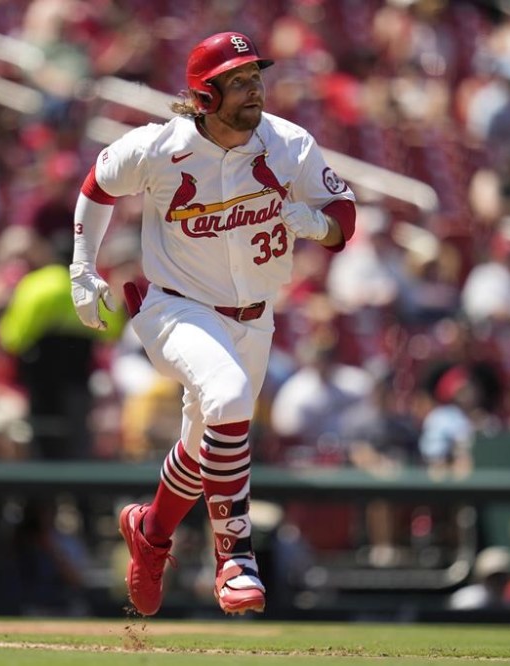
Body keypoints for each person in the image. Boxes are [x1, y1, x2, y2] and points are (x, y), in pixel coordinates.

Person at [69, 31, 356, 616]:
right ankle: (235, 555)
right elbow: (98, 183)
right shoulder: (160, 147)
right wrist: (81, 266)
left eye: (257, 77)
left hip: (254, 316)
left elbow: (344, 217)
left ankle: (149, 532)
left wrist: (315, 224)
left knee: (205, 445)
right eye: (240, 81)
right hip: (173, 304)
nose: (255, 90)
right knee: (227, 397)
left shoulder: (289, 144)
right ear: (204, 95)